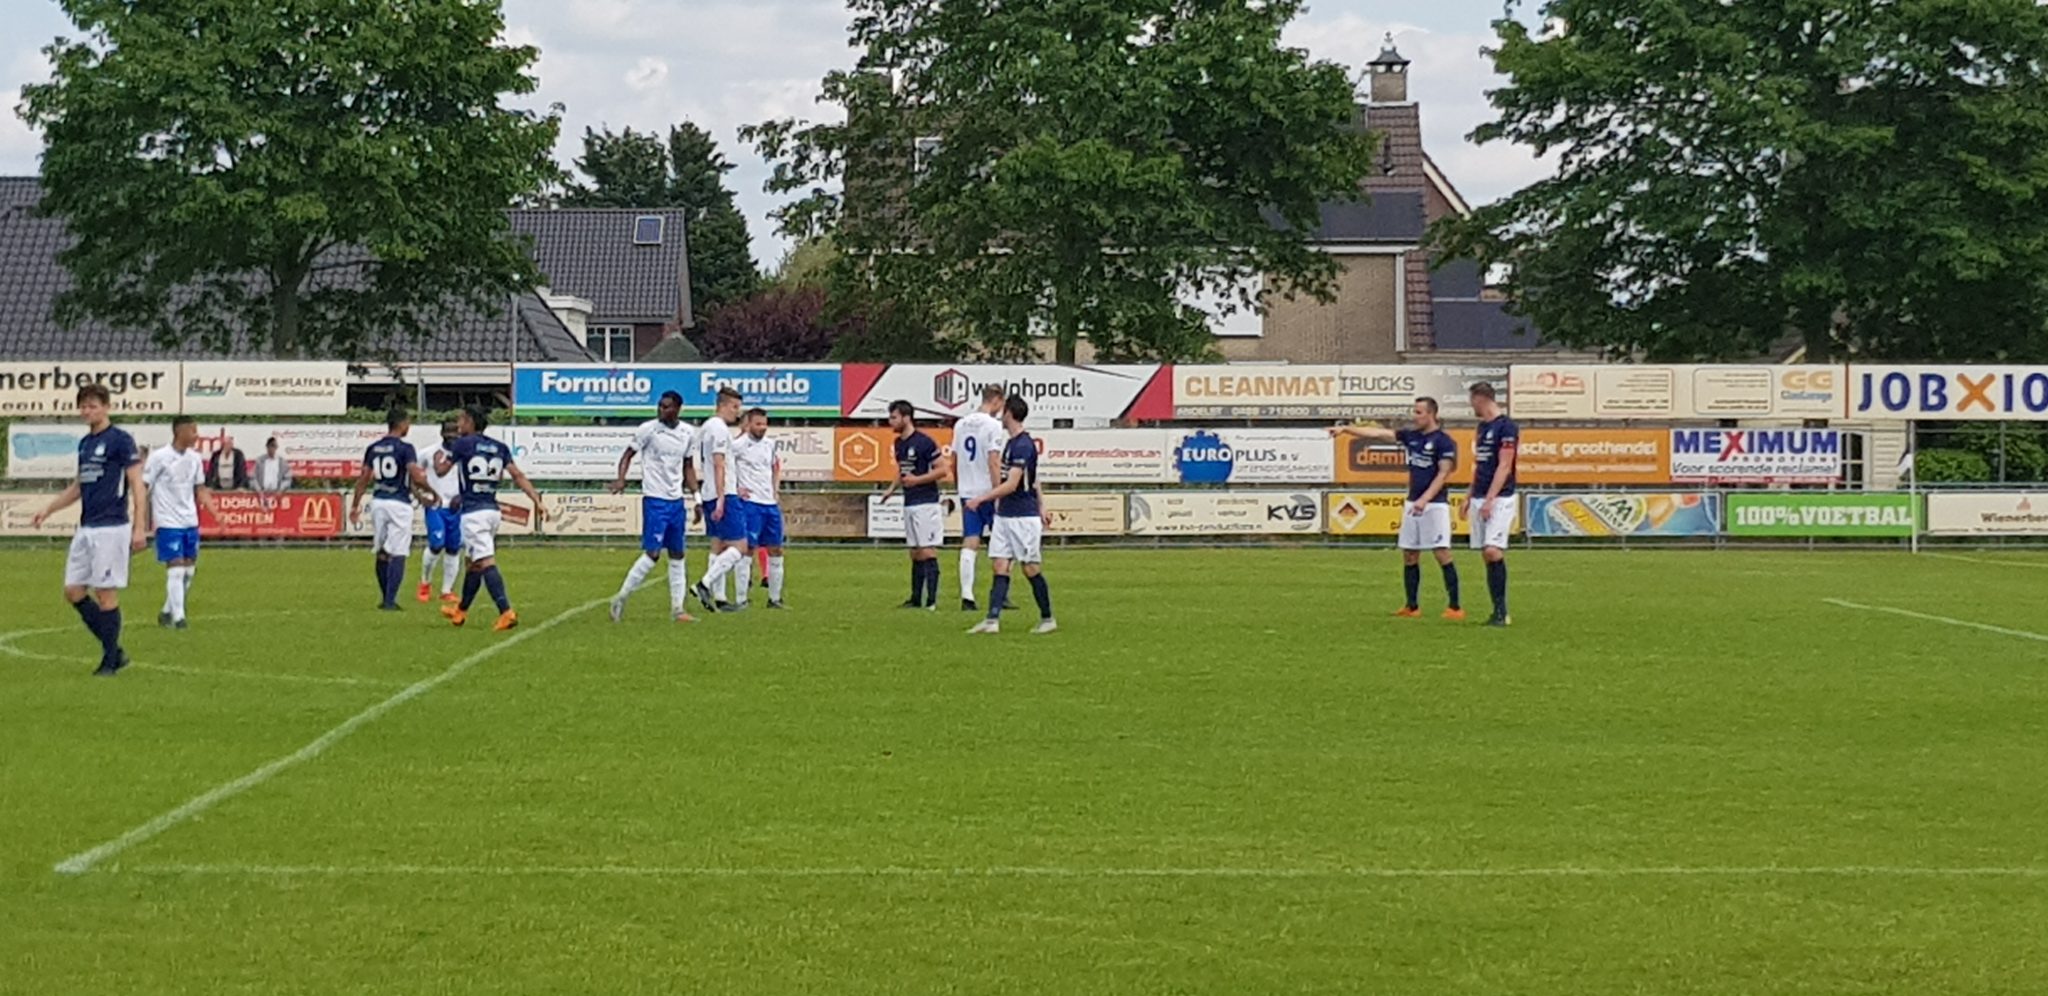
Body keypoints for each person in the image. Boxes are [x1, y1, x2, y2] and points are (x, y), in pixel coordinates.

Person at [31, 384, 146, 676]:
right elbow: (79, 486)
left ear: (106, 407)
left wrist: (139, 526)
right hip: (87, 526)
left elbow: (137, 483)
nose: (87, 411)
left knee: (105, 593)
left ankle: (109, 660)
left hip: (111, 527)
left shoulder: (120, 440)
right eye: (83, 406)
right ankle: (115, 652)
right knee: (73, 591)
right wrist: (49, 509)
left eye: (93, 406)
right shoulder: (85, 444)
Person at [1330, 398, 1463, 619]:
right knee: (1409, 554)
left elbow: (1443, 474)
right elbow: (1377, 434)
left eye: (1419, 412)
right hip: (1413, 503)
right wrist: (1346, 429)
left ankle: (1455, 607)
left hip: (1434, 505)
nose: (1414, 416)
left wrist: (1425, 499)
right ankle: (1412, 606)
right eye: (1414, 411)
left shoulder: (1443, 441)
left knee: (1441, 553)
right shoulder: (1411, 436)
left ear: (1431, 414)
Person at [436, 406, 546, 630]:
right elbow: (517, 475)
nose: (458, 425)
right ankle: (461, 610)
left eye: (461, 420)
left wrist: (439, 459)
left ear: (470, 421)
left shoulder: (462, 444)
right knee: (473, 564)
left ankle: (506, 611)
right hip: (492, 510)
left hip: (473, 513)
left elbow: (441, 471)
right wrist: (537, 500)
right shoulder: (499, 447)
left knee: (485, 562)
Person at [966, 394, 1056, 635]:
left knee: (1030, 568)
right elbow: (1034, 479)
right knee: (999, 564)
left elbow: (1013, 484)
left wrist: (982, 499)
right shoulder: (1011, 443)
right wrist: (1042, 505)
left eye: (1003, 410)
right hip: (1005, 515)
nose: (999, 414)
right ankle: (992, 620)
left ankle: (1047, 618)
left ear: (1010, 413)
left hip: (1022, 517)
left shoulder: (1023, 445)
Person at [607, 391, 700, 623]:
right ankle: (621, 597)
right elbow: (627, 456)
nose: (662, 410)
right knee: (653, 553)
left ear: (678, 409)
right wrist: (621, 479)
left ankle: (678, 609)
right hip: (655, 500)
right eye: (660, 406)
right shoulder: (648, 429)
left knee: (678, 553)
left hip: (676, 501)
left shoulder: (688, 433)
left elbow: (688, 467)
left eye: (667, 407)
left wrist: (697, 498)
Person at [349, 409, 438, 611]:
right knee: (398, 551)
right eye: (408, 423)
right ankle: (390, 600)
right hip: (399, 504)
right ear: (402, 424)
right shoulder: (406, 448)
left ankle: (385, 597)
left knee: (381, 551)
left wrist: (355, 505)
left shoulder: (374, 448)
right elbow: (415, 475)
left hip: (379, 502)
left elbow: (364, 478)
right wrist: (431, 492)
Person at [142, 416, 220, 629]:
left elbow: (200, 488)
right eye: (193, 431)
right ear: (180, 432)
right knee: (176, 569)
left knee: (189, 571)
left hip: (189, 520)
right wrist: (140, 518)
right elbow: (144, 486)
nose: (196, 435)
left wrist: (215, 512)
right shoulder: (159, 457)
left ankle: (167, 610)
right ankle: (179, 618)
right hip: (167, 521)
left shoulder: (195, 458)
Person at [879, 399, 947, 609]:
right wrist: (891, 489)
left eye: (894, 417)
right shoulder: (899, 443)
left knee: (927, 550)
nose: (890, 421)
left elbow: (942, 470)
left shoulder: (924, 442)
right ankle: (916, 599)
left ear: (906, 418)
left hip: (926, 502)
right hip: (910, 501)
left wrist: (917, 480)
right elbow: (902, 470)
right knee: (915, 551)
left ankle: (932, 601)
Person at [691, 387, 749, 614]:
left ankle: (720, 598)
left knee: (718, 545)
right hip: (721, 494)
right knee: (740, 547)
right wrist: (723, 498)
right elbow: (718, 463)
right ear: (722, 405)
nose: (737, 412)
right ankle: (704, 585)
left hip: (711, 492)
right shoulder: (718, 428)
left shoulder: (708, 426)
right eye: (735, 407)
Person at [950, 386, 1008, 610]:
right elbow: (994, 461)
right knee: (1001, 542)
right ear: (997, 400)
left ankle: (967, 595)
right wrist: (998, 491)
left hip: (968, 491)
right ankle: (1000, 594)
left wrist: (959, 486)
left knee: (970, 540)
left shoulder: (961, 424)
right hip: (988, 491)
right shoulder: (993, 425)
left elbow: (954, 460)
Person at [1467, 382, 1519, 627]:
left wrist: (1490, 499)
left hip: (1500, 497)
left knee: (1492, 550)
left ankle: (1502, 611)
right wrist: (1469, 496)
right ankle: (1497, 611)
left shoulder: (1506, 427)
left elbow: (1504, 465)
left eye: (1472, 400)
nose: (1471, 406)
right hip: (1479, 495)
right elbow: (1480, 465)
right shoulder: (1482, 427)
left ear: (1480, 398)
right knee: (1486, 555)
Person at [732, 407, 787, 609]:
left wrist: (775, 490)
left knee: (776, 549)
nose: (762, 427)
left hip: (769, 504)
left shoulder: (770, 445)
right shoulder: (737, 445)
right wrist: (735, 488)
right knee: (747, 549)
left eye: (764, 424)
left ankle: (775, 599)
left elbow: (774, 468)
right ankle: (741, 599)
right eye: (758, 424)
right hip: (750, 504)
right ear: (748, 424)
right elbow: (723, 467)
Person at [418, 420, 465, 604]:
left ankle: (447, 590)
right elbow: (413, 474)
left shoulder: (465, 453)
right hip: (435, 505)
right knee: (436, 544)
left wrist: (462, 496)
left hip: (456, 507)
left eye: (456, 433)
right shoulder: (428, 453)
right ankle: (425, 583)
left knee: (453, 548)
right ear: (442, 433)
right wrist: (420, 495)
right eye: (449, 433)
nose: (452, 437)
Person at [253, 437, 292, 508]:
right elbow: (253, 478)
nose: (272, 448)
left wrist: (281, 489)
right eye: (271, 446)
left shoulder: (282, 462)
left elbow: (288, 479)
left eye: (274, 446)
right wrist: (259, 491)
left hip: (277, 495)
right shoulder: (260, 461)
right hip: (262, 494)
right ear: (267, 447)